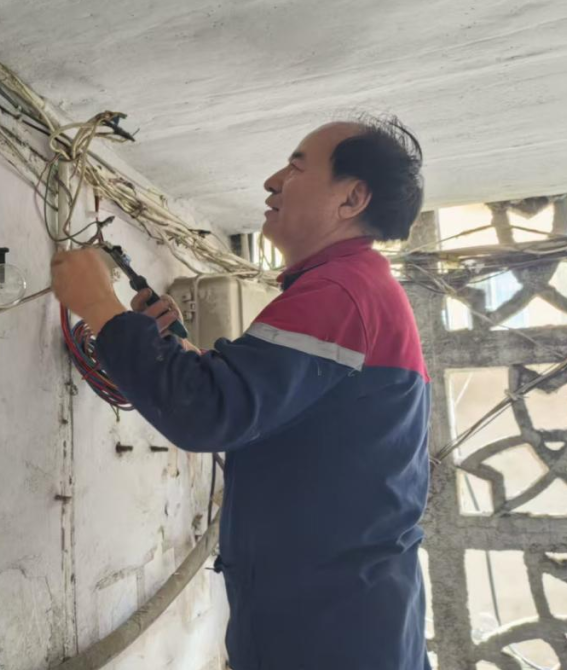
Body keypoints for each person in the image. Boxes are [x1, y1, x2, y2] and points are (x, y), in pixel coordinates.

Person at [51, 115, 430, 670]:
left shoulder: (341, 293)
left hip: (331, 638)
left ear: (351, 198)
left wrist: (99, 305)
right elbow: (262, 412)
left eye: (297, 167)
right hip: (336, 625)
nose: (273, 182)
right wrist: (178, 352)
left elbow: (208, 413)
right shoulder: (354, 290)